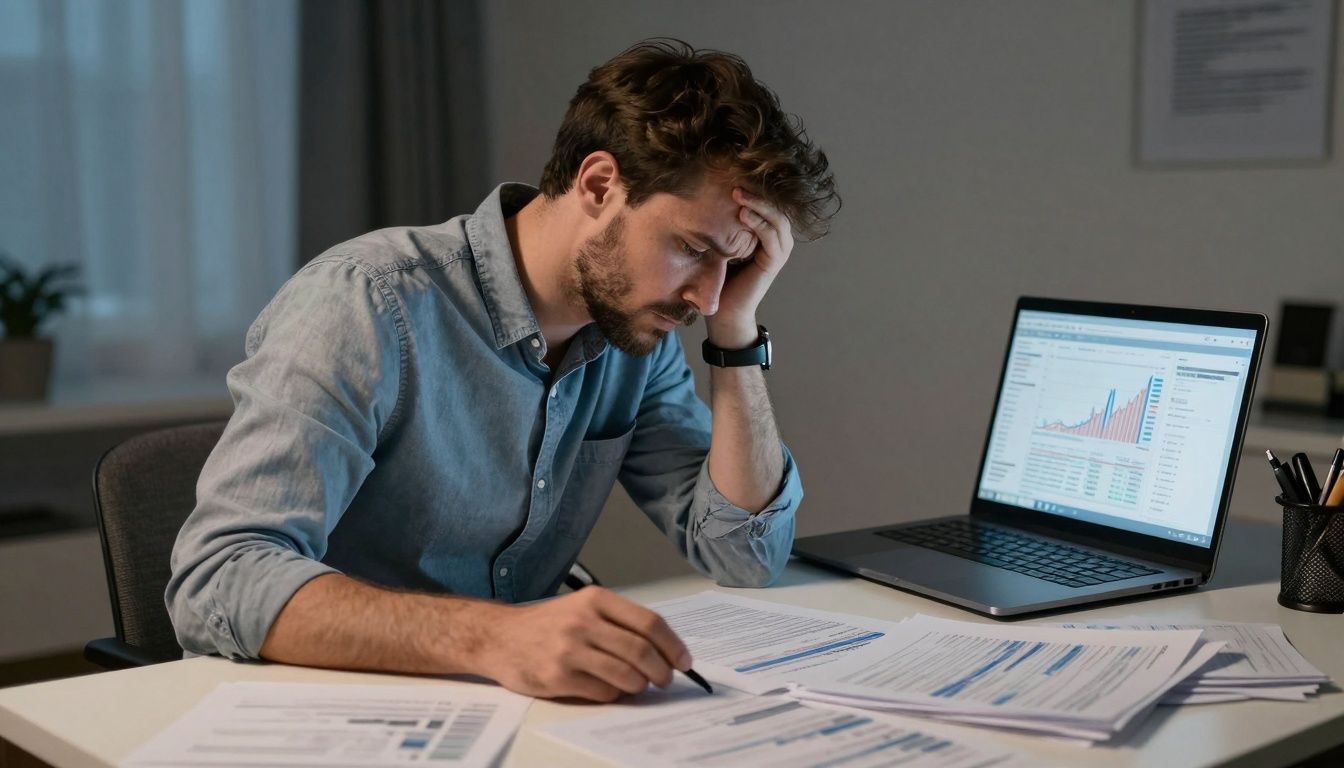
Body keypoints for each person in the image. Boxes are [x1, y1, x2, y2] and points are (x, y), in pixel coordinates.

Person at [167, 38, 838, 702]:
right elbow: (220, 577)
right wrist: (494, 638)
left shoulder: (638, 335)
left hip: (518, 706)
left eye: (735, 266)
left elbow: (744, 555)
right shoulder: (366, 304)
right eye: (693, 248)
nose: (706, 297)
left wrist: (735, 333)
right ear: (600, 185)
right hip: (345, 704)